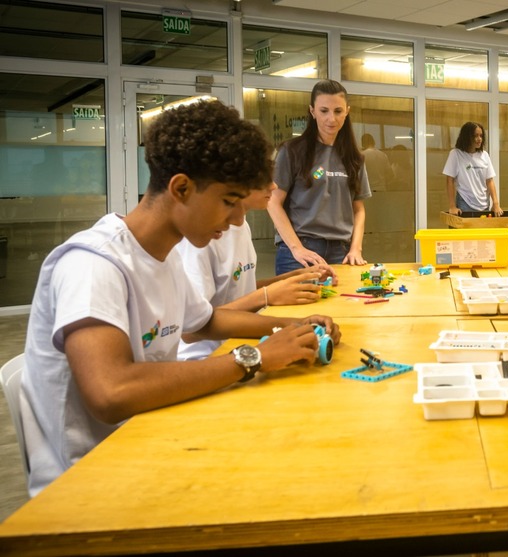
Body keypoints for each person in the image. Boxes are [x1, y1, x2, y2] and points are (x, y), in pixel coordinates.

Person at [20, 100, 341, 496]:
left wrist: (293, 329)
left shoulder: (164, 256)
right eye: (228, 201)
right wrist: (254, 357)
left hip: (150, 439)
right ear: (181, 188)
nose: (239, 219)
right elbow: (110, 392)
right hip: (91, 484)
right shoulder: (94, 264)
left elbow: (206, 322)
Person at [176, 181, 338, 361]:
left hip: (238, 345)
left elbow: (237, 289)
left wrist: (292, 279)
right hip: (205, 358)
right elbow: (192, 328)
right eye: (263, 178)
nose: (274, 185)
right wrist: (267, 296)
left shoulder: (240, 225)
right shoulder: (198, 239)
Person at [268, 79, 371, 273]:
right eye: (324, 111)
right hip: (301, 251)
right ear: (312, 111)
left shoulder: (354, 158)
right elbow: (273, 202)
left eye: (338, 111)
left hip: (342, 251)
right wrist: (297, 248)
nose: (331, 118)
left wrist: (356, 248)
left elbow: (359, 209)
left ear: (347, 111)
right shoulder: (292, 151)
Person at [444, 121, 502, 216]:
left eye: (481, 136)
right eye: (475, 136)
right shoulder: (456, 154)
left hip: (484, 204)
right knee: (467, 231)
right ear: (467, 137)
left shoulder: (485, 155)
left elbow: (489, 181)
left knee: (482, 231)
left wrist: (496, 204)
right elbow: (449, 180)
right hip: (465, 202)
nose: (479, 139)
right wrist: (452, 206)